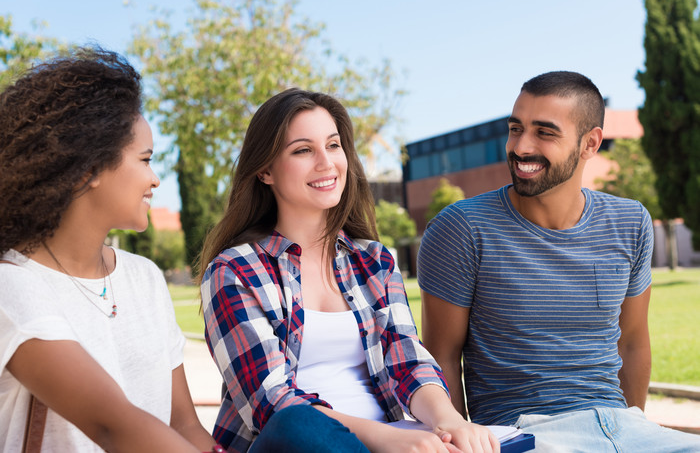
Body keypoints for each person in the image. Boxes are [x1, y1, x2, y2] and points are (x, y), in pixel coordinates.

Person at [198, 88, 499, 453]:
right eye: (303, 150)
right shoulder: (234, 271)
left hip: (394, 439)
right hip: (304, 444)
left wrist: (448, 421)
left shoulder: (375, 261)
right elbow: (273, 404)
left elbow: (407, 359)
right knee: (297, 424)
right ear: (265, 170)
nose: (326, 163)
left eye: (334, 145)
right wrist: (388, 438)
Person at [417, 71, 700, 452]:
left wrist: (635, 432)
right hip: (528, 432)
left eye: (544, 133)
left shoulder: (631, 222)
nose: (520, 146)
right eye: (516, 129)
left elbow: (632, 342)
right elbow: (441, 358)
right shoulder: (462, 229)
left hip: (624, 426)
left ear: (590, 144)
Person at [0, 47, 222, 452]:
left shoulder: (144, 278)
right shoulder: (12, 286)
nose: (154, 179)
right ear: (89, 167)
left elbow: (185, 426)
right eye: (145, 159)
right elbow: (111, 426)